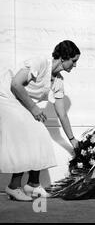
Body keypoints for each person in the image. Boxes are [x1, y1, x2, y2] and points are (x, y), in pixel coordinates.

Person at [0, 40, 80, 201]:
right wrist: (34, 109)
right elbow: (15, 84)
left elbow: (62, 114)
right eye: (74, 61)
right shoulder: (41, 62)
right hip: (5, 96)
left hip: (21, 103)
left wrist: (73, 140)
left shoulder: (58, 81)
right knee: (30, 132)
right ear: (64, 57)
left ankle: (33, 184)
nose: (75, 65)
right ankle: (13, 187)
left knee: (40, 133)